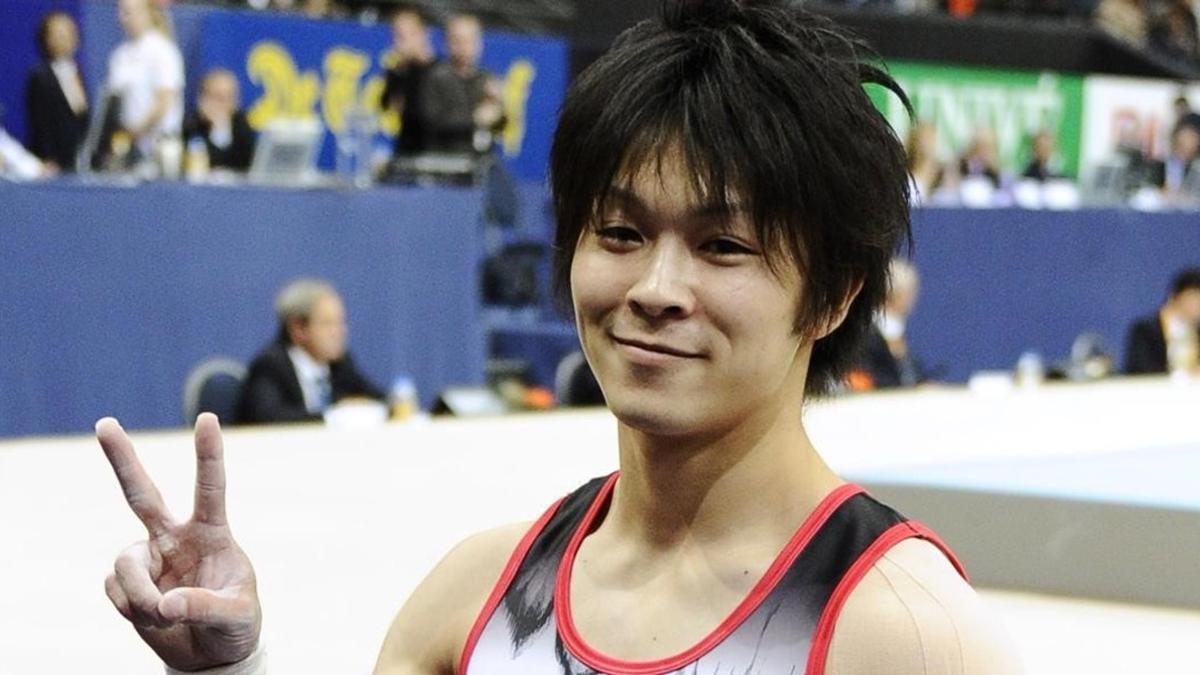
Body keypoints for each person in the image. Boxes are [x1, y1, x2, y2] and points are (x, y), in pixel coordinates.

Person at [94, 2, 1021, 674]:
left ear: (830, 297)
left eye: (722, 245)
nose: (656, 289)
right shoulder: (474, 596)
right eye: (619, 233)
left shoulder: (900, 631)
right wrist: (228, 667)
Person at [235, 279, 384, 424]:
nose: (340, 332)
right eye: (328, 324)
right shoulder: (270, 365)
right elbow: (269, 418)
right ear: (298, 329)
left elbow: (381, 400)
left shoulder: (340, 364)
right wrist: (331, 417)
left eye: (340, 322)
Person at [105, 0, 184, 163]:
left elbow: (165, 101)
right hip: (128, 145)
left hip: (159, 145)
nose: (123, 17)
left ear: (148, 12)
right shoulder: (120, 55)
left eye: (128, 12)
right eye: (120, 12)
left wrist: (135, 131)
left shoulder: (163, 50)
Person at [418, 13, 506, 155]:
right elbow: (430, 122)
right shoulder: (434, 77)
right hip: (443, 159)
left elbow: (499, 126)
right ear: (447, 42)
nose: (464, 47)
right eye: (458, 40)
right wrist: (474, 118)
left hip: (479, 160)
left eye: (470, 40)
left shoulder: (486, 78)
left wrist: (498, 107)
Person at [24, 10, 89, 172]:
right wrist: (48, 158)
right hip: (52, 165)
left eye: (70, 32)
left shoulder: (77, 72)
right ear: (47, 39)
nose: (67, 38)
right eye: (60, 33)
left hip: (78, 161)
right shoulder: (40, 76)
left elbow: (82, 117)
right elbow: (40, 123)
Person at [855, 258, 929, 389]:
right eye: (910, 293)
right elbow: (862, 377)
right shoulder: (864, 334)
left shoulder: (897, 331)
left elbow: (909, 375)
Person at [380, 7, 436, 159]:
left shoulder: (441, 72)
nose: (398, 43)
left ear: (423, 34)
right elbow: (387, 105)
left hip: (437, 153)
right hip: (406, 151)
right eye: (395, 36)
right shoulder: (397, 72)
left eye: (404, 36)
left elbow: (431, 114)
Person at [1124, 267, 1200, 375]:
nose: (1196, 307)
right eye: (1193, 300)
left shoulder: (1197, 331)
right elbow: (1140, 369)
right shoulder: (1146, 330)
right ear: (1175, 297)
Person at [182, 69, 256, 172]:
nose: (224, 103)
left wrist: (222, 127)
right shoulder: (192, 125)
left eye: (229, 96)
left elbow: (249, 162)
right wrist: (217, 127)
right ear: (203, 98)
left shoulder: (241, 122)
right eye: (218, 97)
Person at [1145, 122, 1200, 196]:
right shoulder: (1160, 164)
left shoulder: (1195, 168)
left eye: (1192, 138)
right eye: (1186, 137)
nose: (1188, 142)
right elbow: (1150, 184)